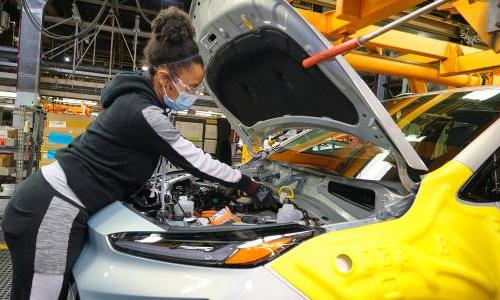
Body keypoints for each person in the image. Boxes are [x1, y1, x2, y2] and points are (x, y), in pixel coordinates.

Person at [1, 7, 276, 300]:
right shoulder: (143, 112)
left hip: (56, 204)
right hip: (51, 211)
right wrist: (250, 185)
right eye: (191, 87)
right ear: (163, 77)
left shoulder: (140, 101)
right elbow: (196, 160)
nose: (194, 95)